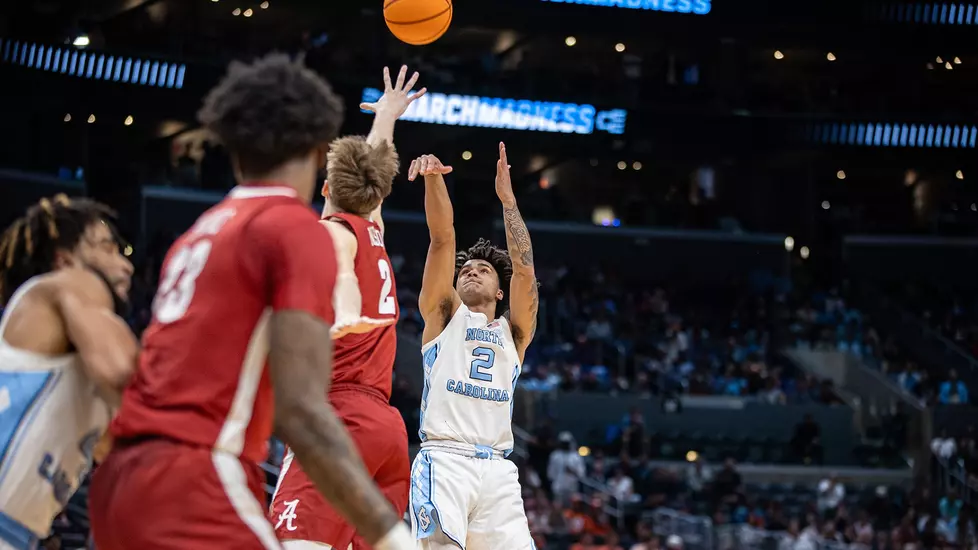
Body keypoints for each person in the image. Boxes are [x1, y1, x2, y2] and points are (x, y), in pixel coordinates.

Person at [88, 53, 413, 550]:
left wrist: (386, 119)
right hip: (199, 466)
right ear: (315, 149)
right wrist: (396, 538)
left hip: (126, 468)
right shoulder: (297, 229)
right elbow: (301, 411)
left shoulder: (198, 234)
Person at [270, 65, 426, 550]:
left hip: (340, 417)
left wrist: (341, 315)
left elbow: (339, 277)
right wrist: (387, 117)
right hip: (386, 429)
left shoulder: (330, 232)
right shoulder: (372, 229)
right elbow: (375, 170)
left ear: (325, 191)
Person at [407, 142, 539, 549]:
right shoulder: (445, 315)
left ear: (500, 292)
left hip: (498, 470)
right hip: (445, 459)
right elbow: (442, 240)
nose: (471, 272)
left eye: (482, 269)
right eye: (466, 270)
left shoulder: (514, 332)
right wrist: (433, 181)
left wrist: (508, 201)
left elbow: (524, 268)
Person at [0, 195, 136, 549]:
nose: (126, 266)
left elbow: (120, 451)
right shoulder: (71, 284)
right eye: (108, 248)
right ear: (65, 260)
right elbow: (125, 374)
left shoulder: (81, 360)